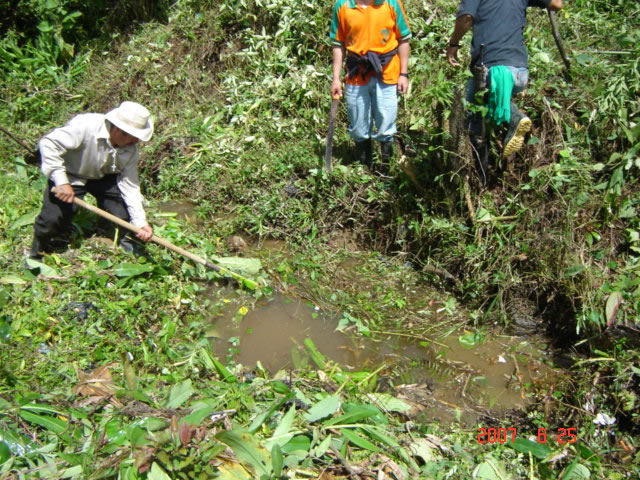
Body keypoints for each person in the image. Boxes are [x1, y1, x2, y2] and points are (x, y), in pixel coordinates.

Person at [29, 101, 155, 260]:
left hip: (103, 176)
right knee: (52, 220)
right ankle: (38, 252)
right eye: (135, 137)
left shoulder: (130, 150)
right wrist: (61, 182)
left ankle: (124, 239)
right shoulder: (85, 126)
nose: (136, 142)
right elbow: (48, 143)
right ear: (119, 130)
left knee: (123, 211)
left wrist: (140, 222)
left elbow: (130, 186)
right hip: (71, 174)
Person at [446, 0, 563, 161]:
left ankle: (514, 119)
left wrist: (453, 44)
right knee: (487, 107)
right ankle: (496, 153)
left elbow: (466, 17)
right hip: (520, 72)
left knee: (471, 109)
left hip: (492, 70)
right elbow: (557, 4)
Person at [330, 0, 411, 172]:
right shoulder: (343, 5)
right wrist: (336, 79)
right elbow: (338, 44)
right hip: (356, 72)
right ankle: (364, 169)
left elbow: (403, 39)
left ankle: (385, 169)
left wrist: (404, 74)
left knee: (386, 122)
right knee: (358, 124)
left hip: (387, 71)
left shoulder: (391, 3)